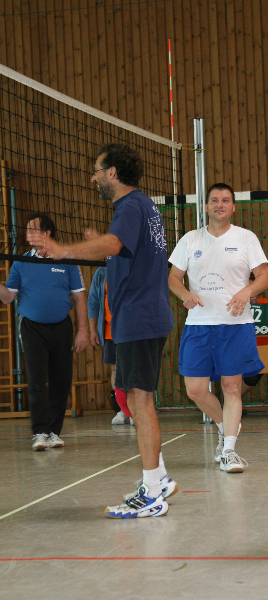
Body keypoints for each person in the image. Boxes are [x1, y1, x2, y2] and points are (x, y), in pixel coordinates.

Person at [26, 143, 177, 519]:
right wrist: (100, 243)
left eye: (96, 170)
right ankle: (158, 477)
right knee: (134, 398)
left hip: (140, 317)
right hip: (140, 316)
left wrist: (63, 250)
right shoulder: (143, 206)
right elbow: (120, 250)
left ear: (112, 172)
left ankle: (152, 494)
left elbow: (114, 243)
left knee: (140, 399)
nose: (93, 178)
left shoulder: (130, 206)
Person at [168, 183, 268, 473]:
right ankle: (227, 427)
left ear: (233, 207)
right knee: (195, 389)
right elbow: (173, 278)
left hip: (236, 325)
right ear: (206, 206)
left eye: (225, 200)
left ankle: (229, 451)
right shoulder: (190, 239)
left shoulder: (246, 238)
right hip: (199, 325)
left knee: (231, 386)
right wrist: (184, 295)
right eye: (214, 200)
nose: (220, 204)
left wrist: (246, 291)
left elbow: (264, 277)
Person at [0, 213, 88, 451]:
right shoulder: (21, 262)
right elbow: (8, 298)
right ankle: (40, 433)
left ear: (47, 233)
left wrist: (83, 330)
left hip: (62, 326)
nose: (28, 234)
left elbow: (79, 297)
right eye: (27, 230)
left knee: (61, 381)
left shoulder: (66, 259)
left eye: (33, 229)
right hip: (31, 327)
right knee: (37, 380)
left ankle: (53, 432)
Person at [87, 266, 133, 425]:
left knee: (131, 370)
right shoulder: (101, 273)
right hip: (109, 331)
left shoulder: (131, 268)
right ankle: (122, 410)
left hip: (130, 330)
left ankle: (135, 409)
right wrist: (93, 329)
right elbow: (93, 301)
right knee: (115, 369)